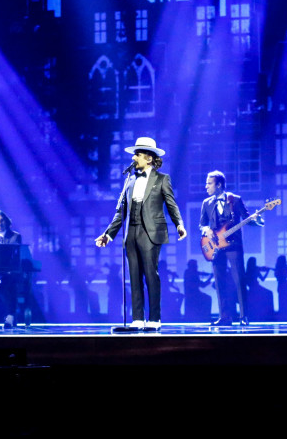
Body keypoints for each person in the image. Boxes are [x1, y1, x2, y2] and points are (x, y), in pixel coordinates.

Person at [95, 137, 187, 330]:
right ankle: (137, 318)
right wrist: (108, 234)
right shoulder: (129, 181)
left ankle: (154, 319)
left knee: (151, 275)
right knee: (134, 276)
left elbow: (171, 204)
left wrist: (179, 224)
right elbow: (121, 212)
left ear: (149, 158)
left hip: (151, 232)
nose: (134, 158)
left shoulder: (162, 179)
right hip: (131, 232)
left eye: (137, 154)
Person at [199, 170, 257, 326]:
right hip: (216, 246)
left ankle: (243, 316)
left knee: (239, 280)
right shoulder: (206, 203)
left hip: (234, 246)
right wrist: (207, 230)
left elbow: (247, 219)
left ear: (219, 185)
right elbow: (202, 224)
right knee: (219, 282)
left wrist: (256, 220)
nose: (206, 186)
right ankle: (225, 317)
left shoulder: (235, 200)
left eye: (209, 183)